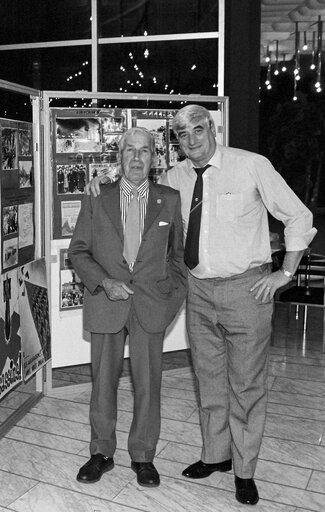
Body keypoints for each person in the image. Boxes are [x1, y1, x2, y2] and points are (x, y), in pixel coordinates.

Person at [85, 105, 316, 505]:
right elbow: (132, 180)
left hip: (246, 289)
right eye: (182, 133)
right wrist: (100, 178)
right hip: (200, 292)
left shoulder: (251, 165)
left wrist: (285, 273)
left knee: (246, 386)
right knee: (208, 382)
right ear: (175, 141)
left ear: (212, 128)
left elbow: (299, 216)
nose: (191, 139)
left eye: (197, 129)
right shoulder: (174, 178)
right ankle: (215, 456)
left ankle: (244, 472)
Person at [69, 127, 187, 488]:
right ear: (118, 157)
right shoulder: (96, 197)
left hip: (151, 306)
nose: (137, 158)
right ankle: (101, 452)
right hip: (106, 301)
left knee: (148, 384)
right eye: (130, 151)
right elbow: (78, 251)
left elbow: (178, 258)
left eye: (145, 151)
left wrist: (170, 302)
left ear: (155, 158)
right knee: (103, 380)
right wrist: (104, 282)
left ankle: (143, 456)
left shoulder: (169, 198)